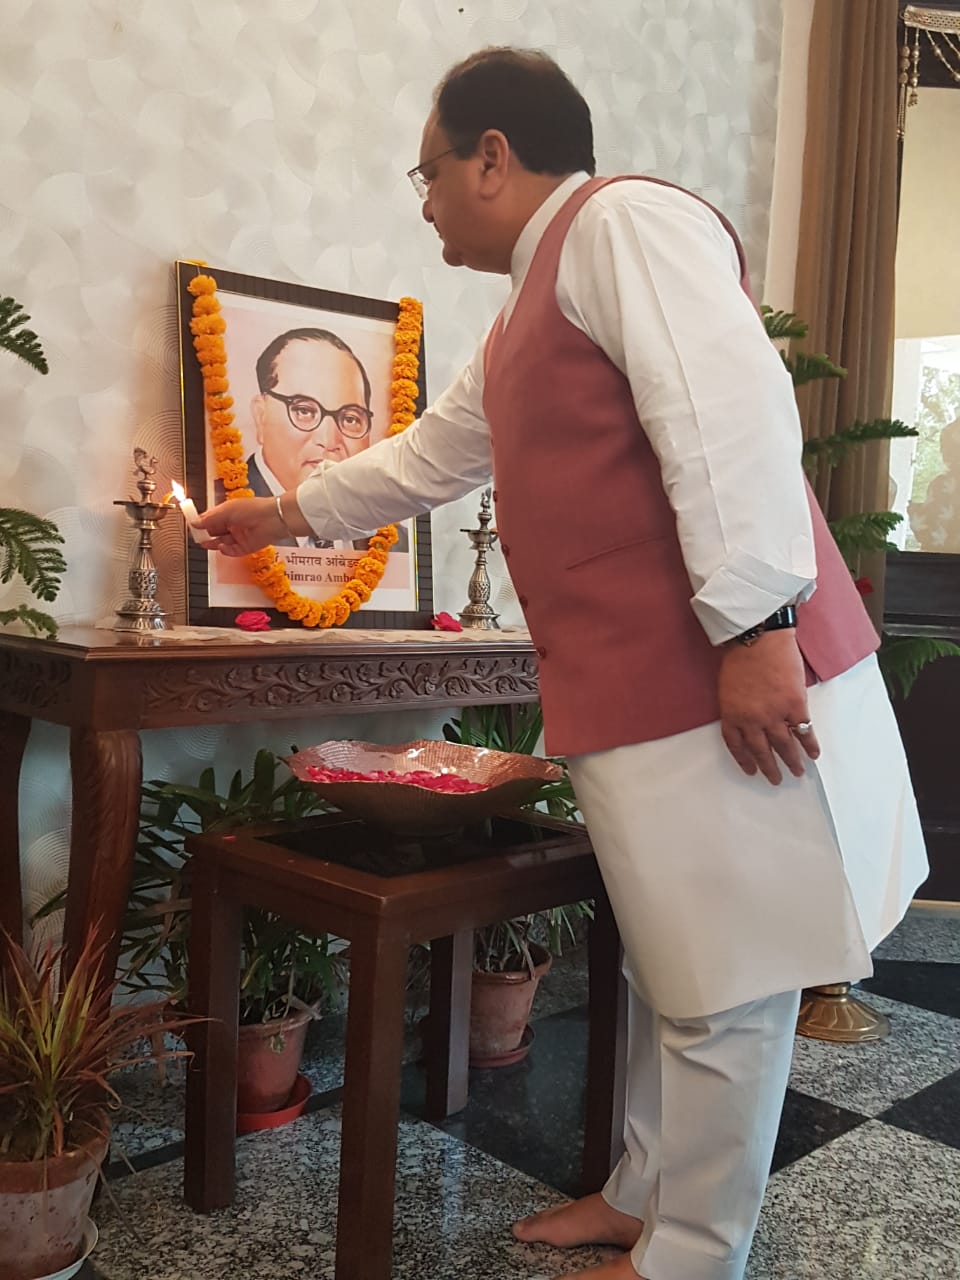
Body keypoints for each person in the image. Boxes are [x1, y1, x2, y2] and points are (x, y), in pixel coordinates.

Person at [197, 48, 927, 1280]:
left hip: (714, 680)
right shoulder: (531, 303)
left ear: (494, 154)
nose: (421, 197)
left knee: (726, 978)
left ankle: (693, 1255)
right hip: (642, 696)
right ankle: (643, 1191)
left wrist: (755, 631)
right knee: (669, 959)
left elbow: (728, 405)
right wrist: (282, 516)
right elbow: (430, 459)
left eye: (428, 171)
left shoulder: (620, 222)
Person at [223, 326, 407, 551]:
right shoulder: (222, 516)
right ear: (261, 415)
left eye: (349, 418)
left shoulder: (397, 542)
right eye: (304, 411)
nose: (328, 440)